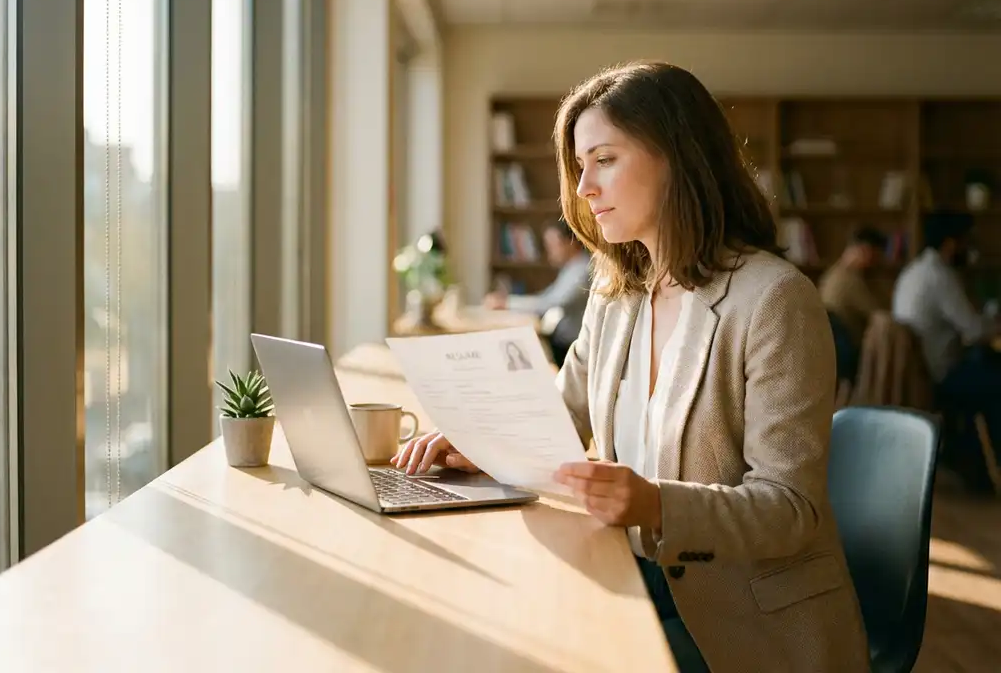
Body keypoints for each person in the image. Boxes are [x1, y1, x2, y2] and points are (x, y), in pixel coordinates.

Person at [393, 61, 868, 672]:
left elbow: (789, 509)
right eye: (580, 166)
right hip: (638, 577)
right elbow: (564, 418)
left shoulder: (774, 300)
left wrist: (656, 505)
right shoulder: (615, 291)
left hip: (746, 622)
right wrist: (478, 441)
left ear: (678, 156)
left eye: (604, 159)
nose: (584, 188)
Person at [893, 210, 1001, 491]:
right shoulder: (940, 275)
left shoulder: (913, 271)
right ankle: (987, 465)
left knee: (987, 363)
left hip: (921, 370)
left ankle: (970, 460)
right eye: (966, 242)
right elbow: (974, 330)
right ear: (952, 243)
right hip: (941, 373)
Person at [485, 220, 591, 363]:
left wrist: (507, 303)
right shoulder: (571, 268)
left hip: (569, 347)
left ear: (570, 243)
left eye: (553, 245)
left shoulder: (581, 271)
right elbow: (546, 296)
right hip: (564, 342)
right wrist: (509, 301)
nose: (549, 252)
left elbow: (551, 303)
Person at [818, 226, 888, 383]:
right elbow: (879, 313)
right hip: (848, 352)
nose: (877, 261)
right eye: (876, 256)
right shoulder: (849, 280)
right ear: (865, 250)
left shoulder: (832, 274)